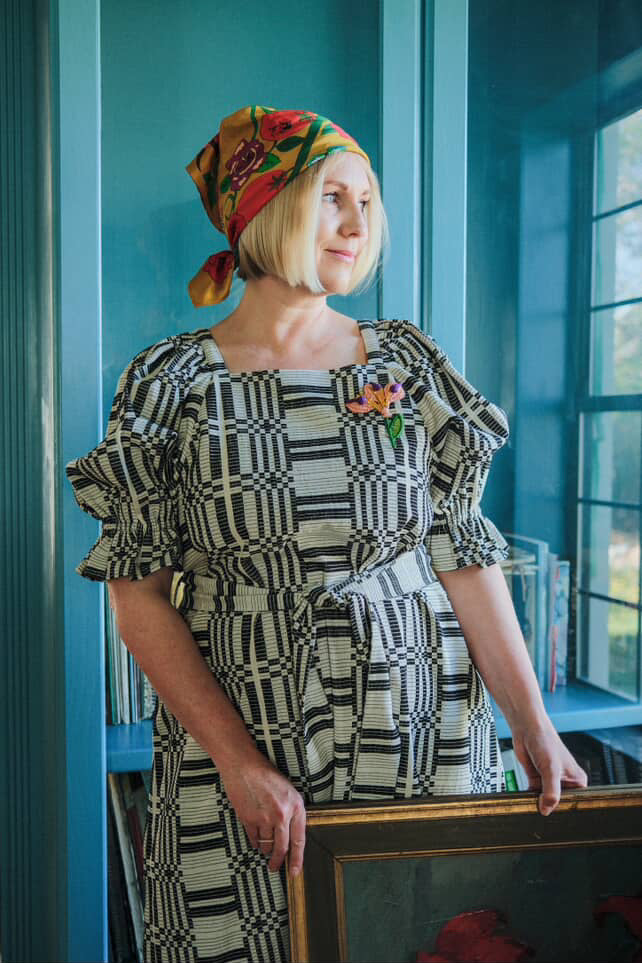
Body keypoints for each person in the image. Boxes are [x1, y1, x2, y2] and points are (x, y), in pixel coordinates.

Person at [66, 105, 587, 963]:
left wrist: (532, 723)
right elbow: (140, 600)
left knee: (423, 937)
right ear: (266, 207)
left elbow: (463, 553)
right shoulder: (170, 383)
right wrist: (240, 763)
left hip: (418, 727)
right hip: (239, 733)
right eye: (333, 198)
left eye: (367, 202)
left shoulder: (406, 364)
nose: (358, 224)